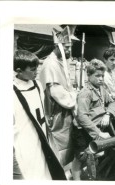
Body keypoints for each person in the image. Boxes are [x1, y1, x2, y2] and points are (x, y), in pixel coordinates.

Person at [13, 50, 66, 180]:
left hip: (41, 134)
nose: (36, 72)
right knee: (31, 170)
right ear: (19, 71)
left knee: (46, 168)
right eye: (32, 70)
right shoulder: (12, 91)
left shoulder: (37, 85)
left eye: (37, 68)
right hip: (25, 139)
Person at [38, 26, 78, 171]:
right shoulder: (50, 64)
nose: (69, 51)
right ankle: (59, 173)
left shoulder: (60, 61)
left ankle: (65, 170)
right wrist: (74, 96)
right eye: (67, 47)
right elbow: (56, 92)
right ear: (58, 46)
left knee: (67, 143)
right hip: (56, 112)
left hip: (64, 111)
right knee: (59, 145)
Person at [72, 59, 115, 180]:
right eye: (97, 76)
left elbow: (112, 103)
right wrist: (98, 133)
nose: (101, 79)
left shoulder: (102, 89)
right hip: (82, 130)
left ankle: (90, 174)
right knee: (80, 157)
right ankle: (76, 182)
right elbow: (82, 117)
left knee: (93, 153)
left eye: (102, 76)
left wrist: (108, 114)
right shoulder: (85, 93)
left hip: (95, 128)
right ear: (89, 75)